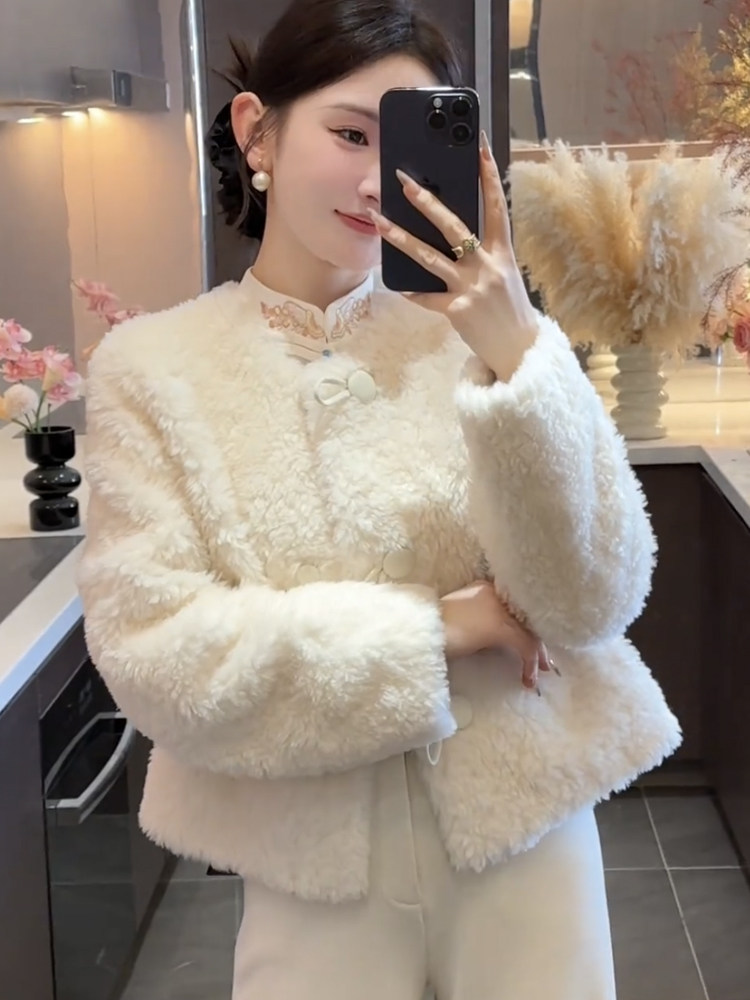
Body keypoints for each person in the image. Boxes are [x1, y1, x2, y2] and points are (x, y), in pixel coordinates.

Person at [76, 0, 681, 997]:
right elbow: (160, 653)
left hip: (524, 837)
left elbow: (596, 599)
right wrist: (435, 629)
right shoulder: (155, 370)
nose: (376, 181)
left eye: (400, 145)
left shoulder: (482, 336)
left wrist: (518, 353)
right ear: (257, 132)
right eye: (351, 134)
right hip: (313, 869)